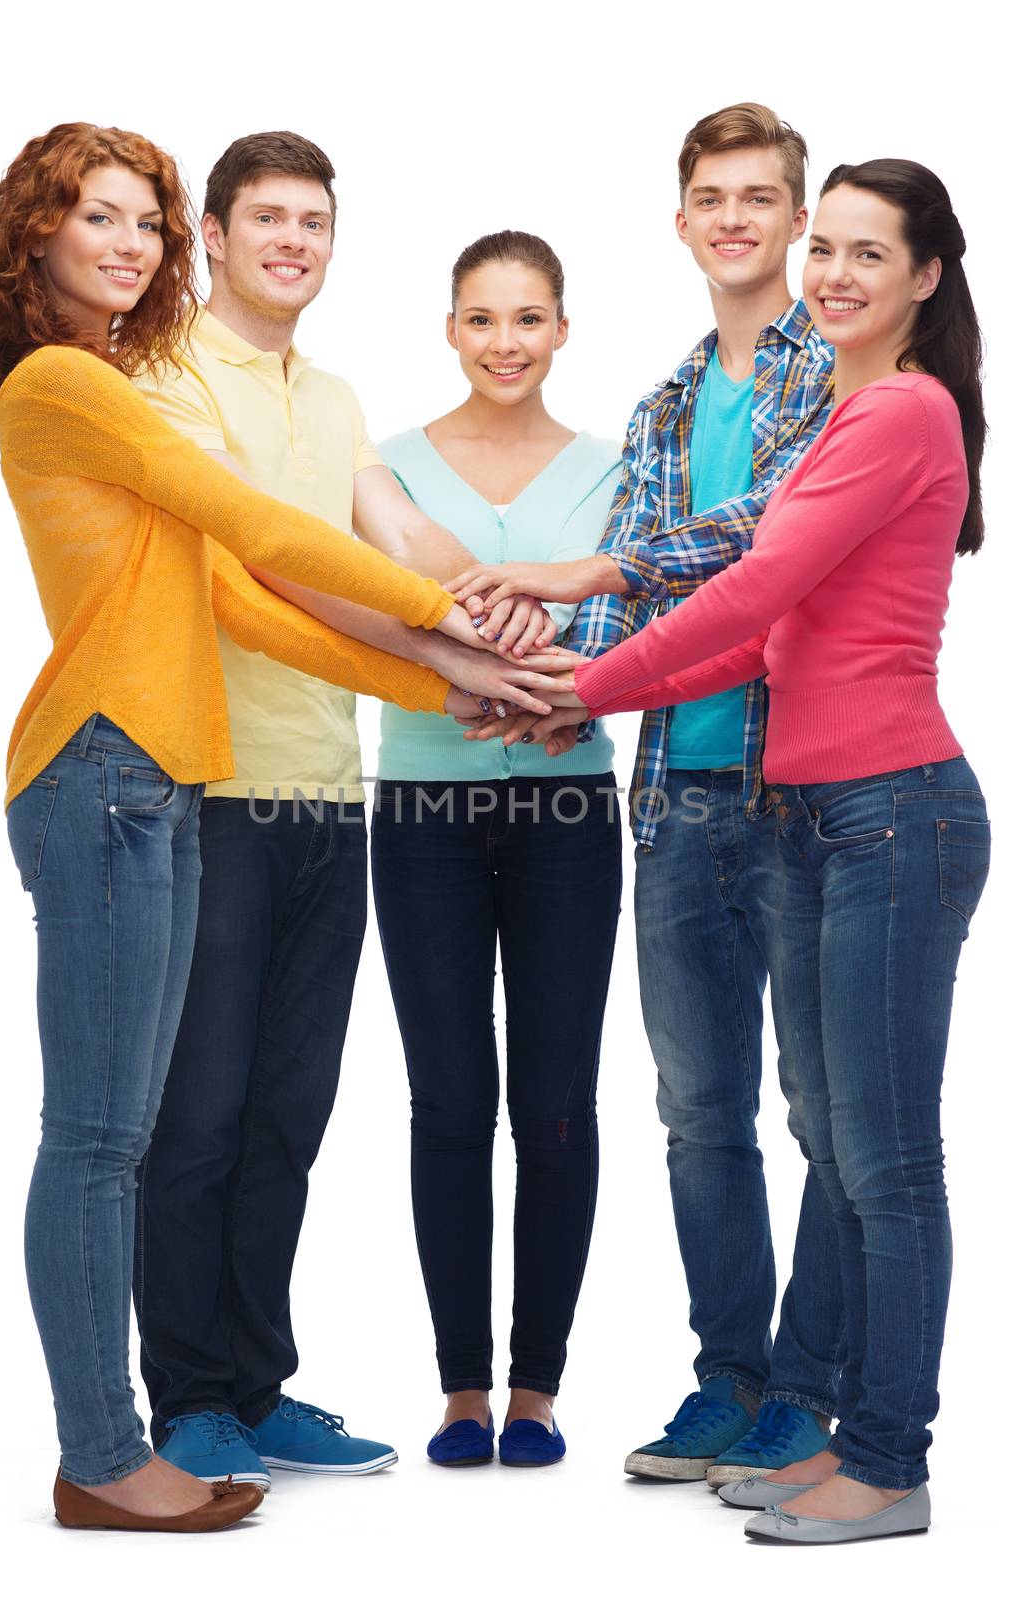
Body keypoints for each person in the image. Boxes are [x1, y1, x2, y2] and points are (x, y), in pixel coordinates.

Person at [0, 121, 552, 1532]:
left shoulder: (110, 392)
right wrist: (454, 618)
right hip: (100, 769)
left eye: (142, 225)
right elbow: (260, 528)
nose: (127, 245)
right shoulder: (71, 386)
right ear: (35, 238)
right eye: (96, 219)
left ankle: (154, 1431)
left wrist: (437, 681)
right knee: (103, 1140)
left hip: (156, 776)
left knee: (149, 1126)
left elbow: (236, 599)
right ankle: (105, 1456)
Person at [533, 158, 991, 1544]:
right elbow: (754, 635)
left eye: (870, 253)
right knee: (849, 1157)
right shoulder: (852, 412)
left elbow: (754, 583)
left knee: (885, 1164)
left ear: (923, 277)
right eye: (827, 250)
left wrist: (578, 683)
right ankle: (846, 1439)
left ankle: (886, 1462)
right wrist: (589, 685)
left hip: (890, 817)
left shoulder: (899, 412)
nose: (835, 273)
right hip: (817, 820)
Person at [131, 137, 558, 1489]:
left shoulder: (333, 396)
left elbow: (398, 530)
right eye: (267, 219)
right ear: (210, 231)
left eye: (314, 223)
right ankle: (186, 1400)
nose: (293, 243)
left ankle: (257, 1390)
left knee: (286, 1117)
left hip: (330, 792)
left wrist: (492, 610)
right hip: (208, 785)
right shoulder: (160, 378)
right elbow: (266, 563)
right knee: (194, 1115)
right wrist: (446, 653)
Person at [449, 104, 844, 1486]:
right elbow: (626, 623)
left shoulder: (837, 375)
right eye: (707, 198)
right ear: (679, 223)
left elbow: (771, 536)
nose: (731, 218)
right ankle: (726, 1382)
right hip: (675, 793)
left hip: (806, 788)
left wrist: (591, 583)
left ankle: (808, 1388)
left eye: (756, 196)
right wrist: (537, 687)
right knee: (698, 1112)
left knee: (823, 1110)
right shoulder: (662, 407)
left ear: (796, 219)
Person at [371, 232, 623, 1468]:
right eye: (482, 319)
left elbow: (648, 618)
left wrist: (582, 690)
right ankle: (461, 1388)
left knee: (558, 1102)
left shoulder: (615, 468)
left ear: (563, 329)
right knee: (449, 1102)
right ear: (451, 329)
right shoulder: (385, 467)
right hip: (420, 810)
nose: (506, 342)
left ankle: (538, 1387)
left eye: (529, 318)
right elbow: (372, 615)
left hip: (572, 809)